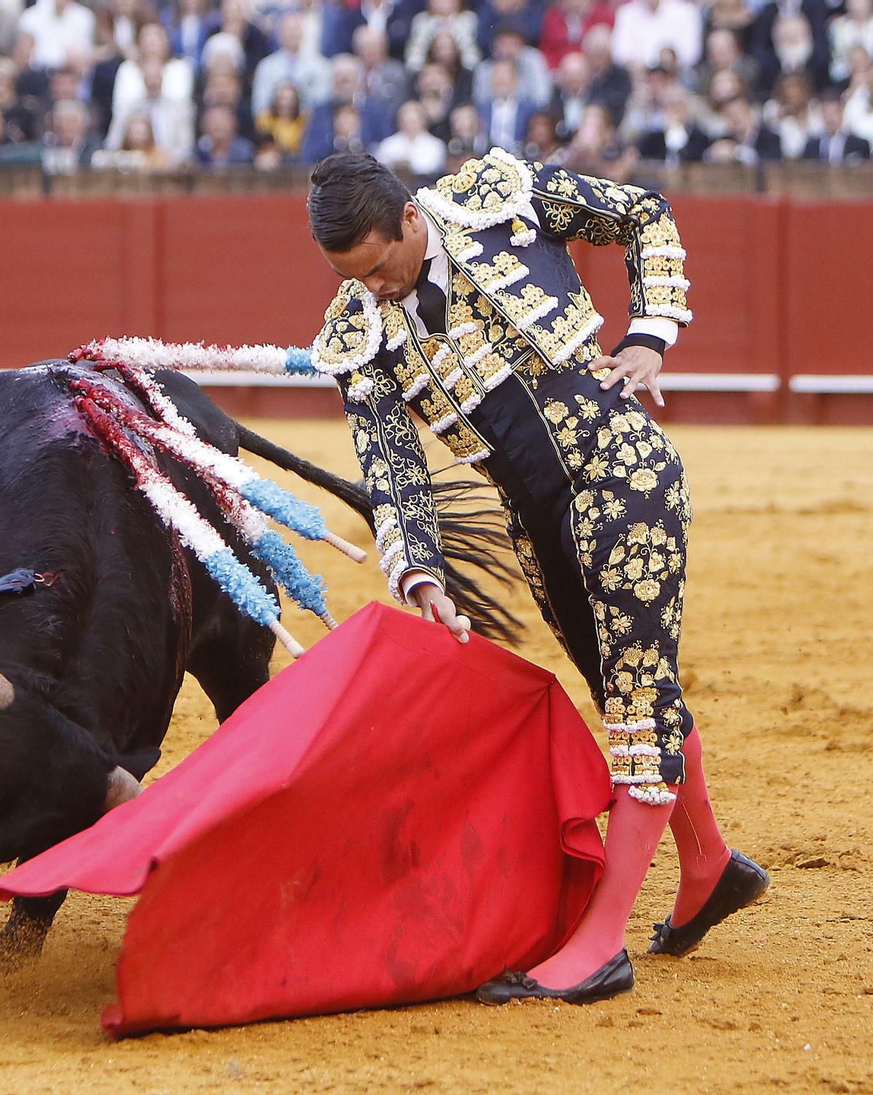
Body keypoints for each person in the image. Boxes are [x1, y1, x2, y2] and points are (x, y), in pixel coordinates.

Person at [304, 150, 769, 1003]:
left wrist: (648, 337)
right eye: (351, 278)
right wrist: (420, 573)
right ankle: (706, 866)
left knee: (635, 702)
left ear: (411, 218)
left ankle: (602, 944)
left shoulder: (496, 199)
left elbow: (643, 213)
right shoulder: (358, 328)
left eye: (377, 268)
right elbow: (391, 465)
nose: (371, 290)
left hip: (622, 470)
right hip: (537, 524)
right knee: (626, 686)